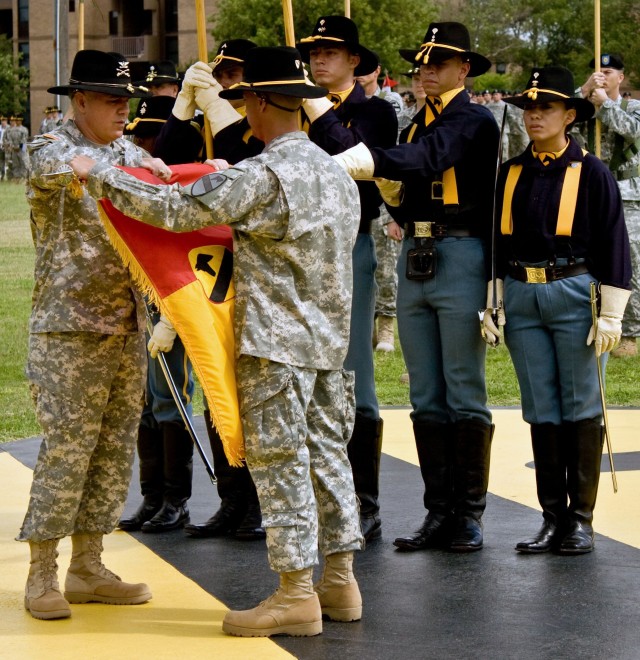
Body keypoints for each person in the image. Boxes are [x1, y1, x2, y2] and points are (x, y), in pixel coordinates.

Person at [70, 44, 364, 638]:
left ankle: (295, 594)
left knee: (281, 464)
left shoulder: (264, 175)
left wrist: (101, 174)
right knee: (330, 459)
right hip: (330, 345)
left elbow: (174, 211)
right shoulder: (334, 173)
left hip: (275, 346)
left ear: (257, 102)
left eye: (245, 101)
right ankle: (339, 580)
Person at [334, 22, 499, 552]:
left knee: (463, 384)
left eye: (439, 63)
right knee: (425, 389)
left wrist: (371, 160)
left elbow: (434, 158)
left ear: (464, 69)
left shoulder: (472, 119)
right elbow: (407, 192)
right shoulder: (412, 123)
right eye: (422, 64)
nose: (427, 71)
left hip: (461, 251)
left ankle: (468, 514)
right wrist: (388, 187)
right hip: (417, 254)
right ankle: (438, 511)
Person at [17, 49, 164, 621]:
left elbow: (158, 193)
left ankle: (88, 564)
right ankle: (41, 572)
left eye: (128, 101)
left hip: (127, 325)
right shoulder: (50, 146)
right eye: (111, 101)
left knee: (111, 450)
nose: (123, 111)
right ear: (79, 101)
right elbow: (57, 171)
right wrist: (103, 170)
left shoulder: (129, 151)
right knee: (66, 453)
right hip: (70, 326)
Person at [482, 66, 631, 554]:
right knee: (540, 407)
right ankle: (551, 517)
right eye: (529, 107)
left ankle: (580, 519)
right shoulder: (512, 171)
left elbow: (615, 243)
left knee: (580, 402)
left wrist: (611, 313)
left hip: (573, 292)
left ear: (570, 115)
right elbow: (498, 243)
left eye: (545, 107)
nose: (534, 116)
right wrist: (493, 301)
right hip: (522, 295)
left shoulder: (592, 171)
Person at [154, 39, 267, 541]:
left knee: (253, 388)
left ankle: (262, 502)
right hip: (210, 264)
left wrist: (220, 112)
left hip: (258, 265)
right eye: (220, 72)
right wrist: (182, 111)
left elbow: (249, 157)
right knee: (215, 382)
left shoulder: (264, 120)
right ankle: (231, 498)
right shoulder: (205, 112)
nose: (226, 80)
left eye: (236, 71)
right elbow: (168, 166)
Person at [297, 15, 398, 541]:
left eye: (331, 52)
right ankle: (314, 496)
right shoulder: (294, 106)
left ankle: (364, 499)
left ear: (354, 60)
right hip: (296, 251)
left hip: (349, 246)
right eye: (314, 52)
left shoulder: (376, 112)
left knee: (353, 369)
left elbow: (353, 161)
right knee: (306, 377)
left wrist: (316, 112)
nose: (319, 59)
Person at [117, 94, 202, 534]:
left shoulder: (180, 185)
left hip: (175, 300)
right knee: (147, 403)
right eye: (144, 136)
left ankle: (176, 500)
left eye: (155, 135)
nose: (149, 144)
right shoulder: (141, 181)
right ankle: (151, 496)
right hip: (144, 299)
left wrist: (169, 314)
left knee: (172, 399)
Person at [579, 53, 640, 357]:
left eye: (608, 71)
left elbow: (633, 130)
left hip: (627, 193)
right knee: (590, 257)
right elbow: (559, 116)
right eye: (597, 72)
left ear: (621, 78)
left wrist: (607, 104)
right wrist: (585, 90)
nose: (602, 75)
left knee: (630, 260)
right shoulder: (584, 111)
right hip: (591, 194)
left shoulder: (633, 108)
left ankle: (630, 330)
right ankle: (593, 318)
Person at [4, 115, 29, 181]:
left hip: (22, 149)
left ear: (21, 121)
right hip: (14, 149)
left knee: (23, 162)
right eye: (17, 120)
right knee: (15, 163)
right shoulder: (12, 130)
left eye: (19, 120)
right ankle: (16, 177)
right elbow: (10, 139)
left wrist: (19, 147)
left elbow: (24, 139)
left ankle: (24, 177)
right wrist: (13, 146)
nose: (18, 122)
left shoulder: (24, 129)